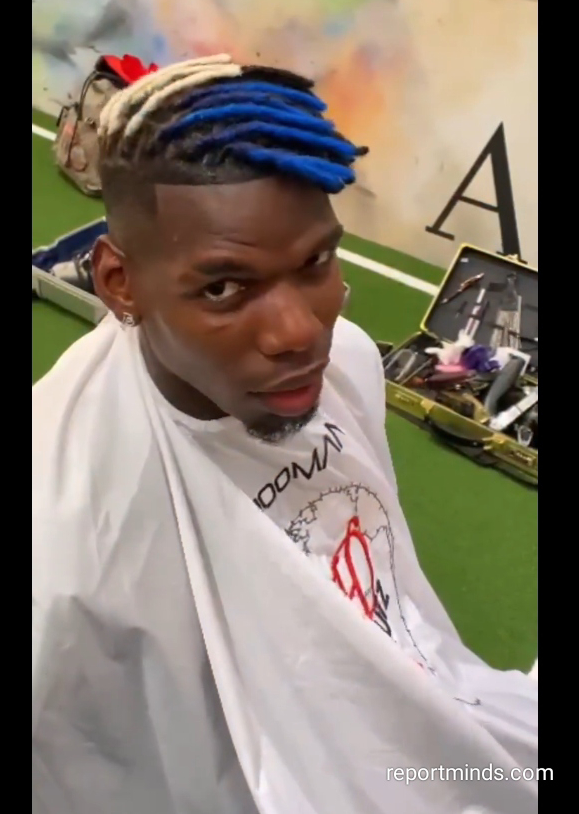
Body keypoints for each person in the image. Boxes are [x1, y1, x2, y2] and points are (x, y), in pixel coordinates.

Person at [32, 54, 538, 814]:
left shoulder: (352, 362)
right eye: (223, 287)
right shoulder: (59, 529)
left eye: (316, 262)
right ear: (118, 283)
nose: (300, 332)